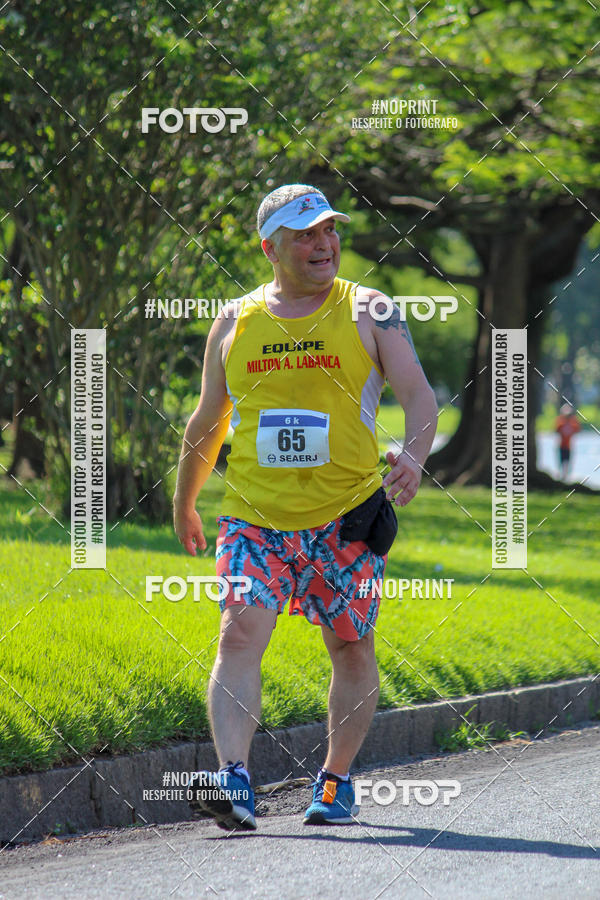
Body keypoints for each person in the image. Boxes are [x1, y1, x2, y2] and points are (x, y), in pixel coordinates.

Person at [173, 183, 438, 831]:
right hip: (254, 515)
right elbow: (208, 421)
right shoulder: (235, 321)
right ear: (270, 247)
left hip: (347, 514)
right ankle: (234, 781)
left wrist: (414, 454)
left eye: (329, 231)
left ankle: (336, 780)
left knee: (350, 646)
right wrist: (184, 501)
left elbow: (419, 396)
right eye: (305, 234)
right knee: (238, 632)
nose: (324, 244)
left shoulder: (370, 310)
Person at [555, 403, 580, 480]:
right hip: (561, 445)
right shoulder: (560, 422)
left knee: (567, 461)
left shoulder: (573, 423)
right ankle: (561, 475)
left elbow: (577, 429)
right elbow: (556, 430)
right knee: (561, 461)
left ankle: (565, 476)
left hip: (569, 446)